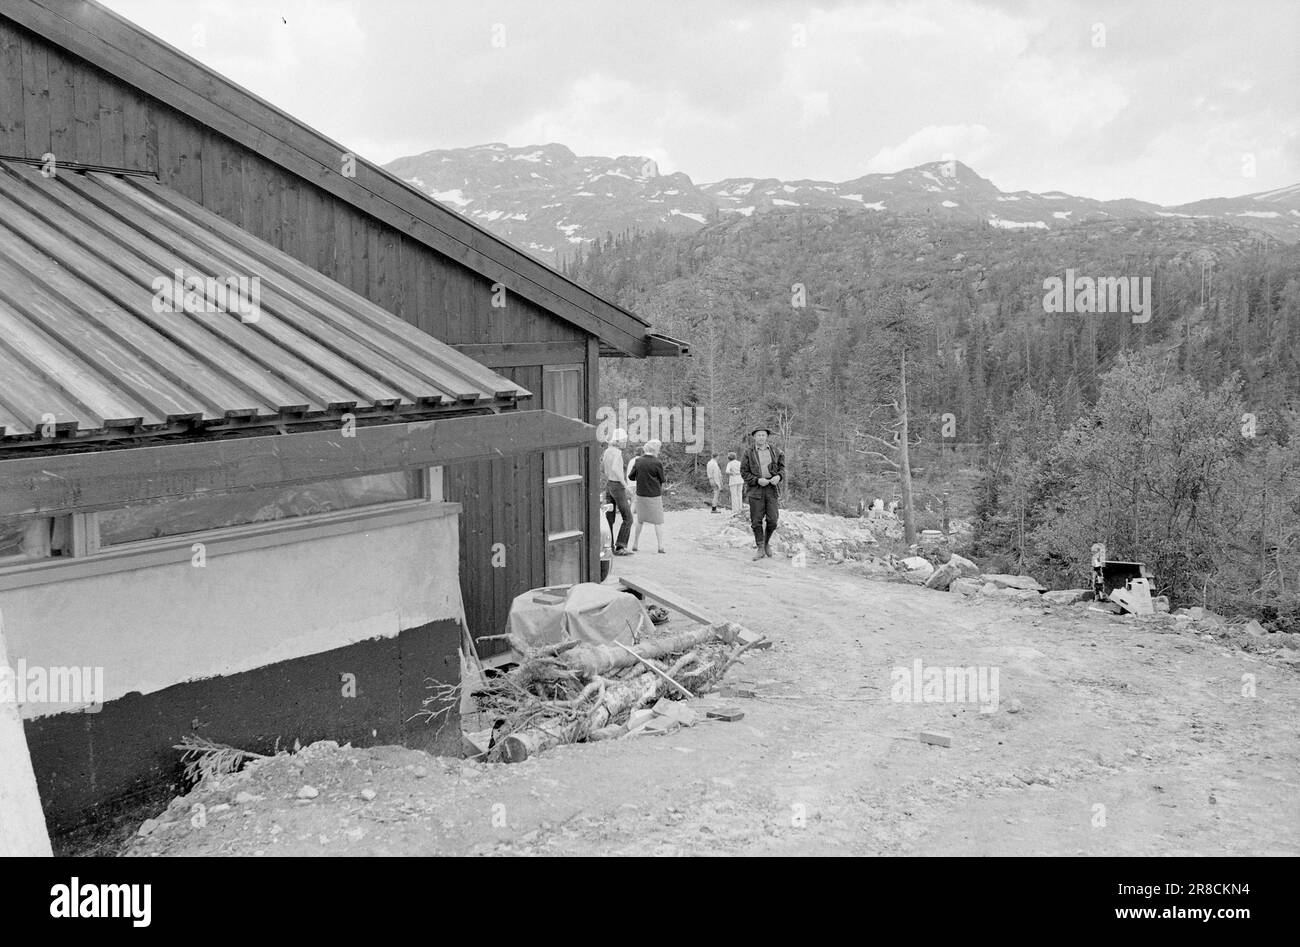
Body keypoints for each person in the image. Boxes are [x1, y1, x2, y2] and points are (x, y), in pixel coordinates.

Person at [740, 427, 785, 560]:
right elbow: (744, 472)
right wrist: (757, 480)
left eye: (763, 435)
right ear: (754, 437)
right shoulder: (748, 452)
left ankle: (766, 543)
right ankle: (760, 547)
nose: (761, 437)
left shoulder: (776, 451)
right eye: (758, 435)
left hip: (772, 488)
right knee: (756, 521)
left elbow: (782, 468)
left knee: (773, 520)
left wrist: (779, 477)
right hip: (756, 489)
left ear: (767, 437)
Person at [629, 439, 667, 553]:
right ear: (655, 450)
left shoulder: (638, 461)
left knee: (640, 521)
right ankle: (660, 546)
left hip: (641, 494)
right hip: (654, 495)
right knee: (658, 521)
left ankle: (635, 543)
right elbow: (662, 479)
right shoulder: (657, 462)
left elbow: (631, 477)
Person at [602, 429, 634, 555]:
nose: (625, 443)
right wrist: (625, 485)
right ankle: (621, 547)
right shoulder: (617, 452)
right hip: (617, 485)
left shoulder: (607, 451)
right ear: (619, 441)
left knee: (610, 517)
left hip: (609, 484)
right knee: (628, 518)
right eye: (624, 441)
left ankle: (608, 546)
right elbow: (616, 468)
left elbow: (605, 469)